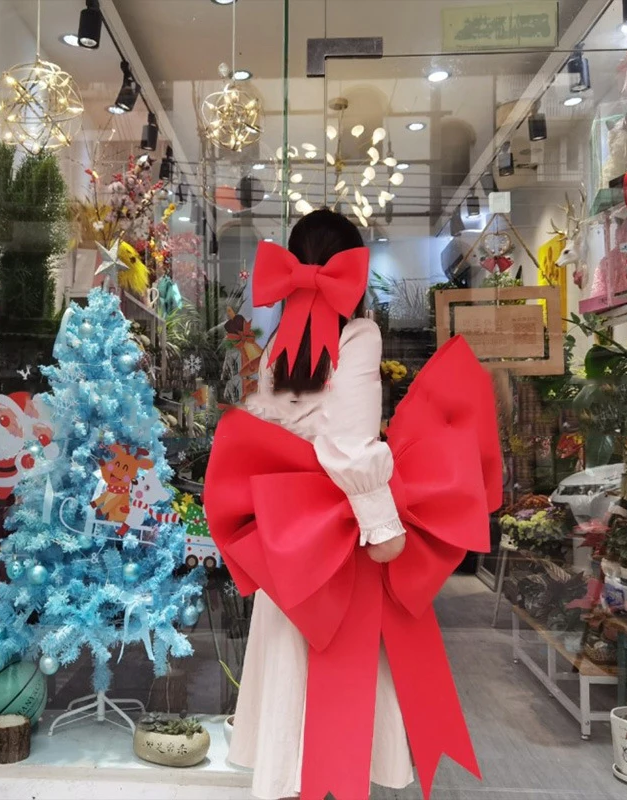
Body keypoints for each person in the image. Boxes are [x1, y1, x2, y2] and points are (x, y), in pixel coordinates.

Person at [205, 209, 502, 800]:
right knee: (344, 667)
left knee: (292, 664)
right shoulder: (358, 336)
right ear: (353, 273)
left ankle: (289, 780)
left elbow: (276, 432)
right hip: (341, 533)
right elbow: (349, 445)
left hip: (288, 536)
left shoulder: (278, 345)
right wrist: (382, 523)